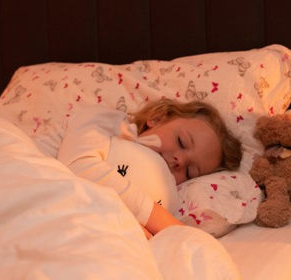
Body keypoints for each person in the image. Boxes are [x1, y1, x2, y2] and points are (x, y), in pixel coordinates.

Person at [58, 98, 242, 237]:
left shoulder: (162, 196)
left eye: (189, 171)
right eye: (181, 141)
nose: (179, 160)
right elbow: (79, 169)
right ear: (157, 118)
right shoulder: (104, 122)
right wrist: (166, 225)